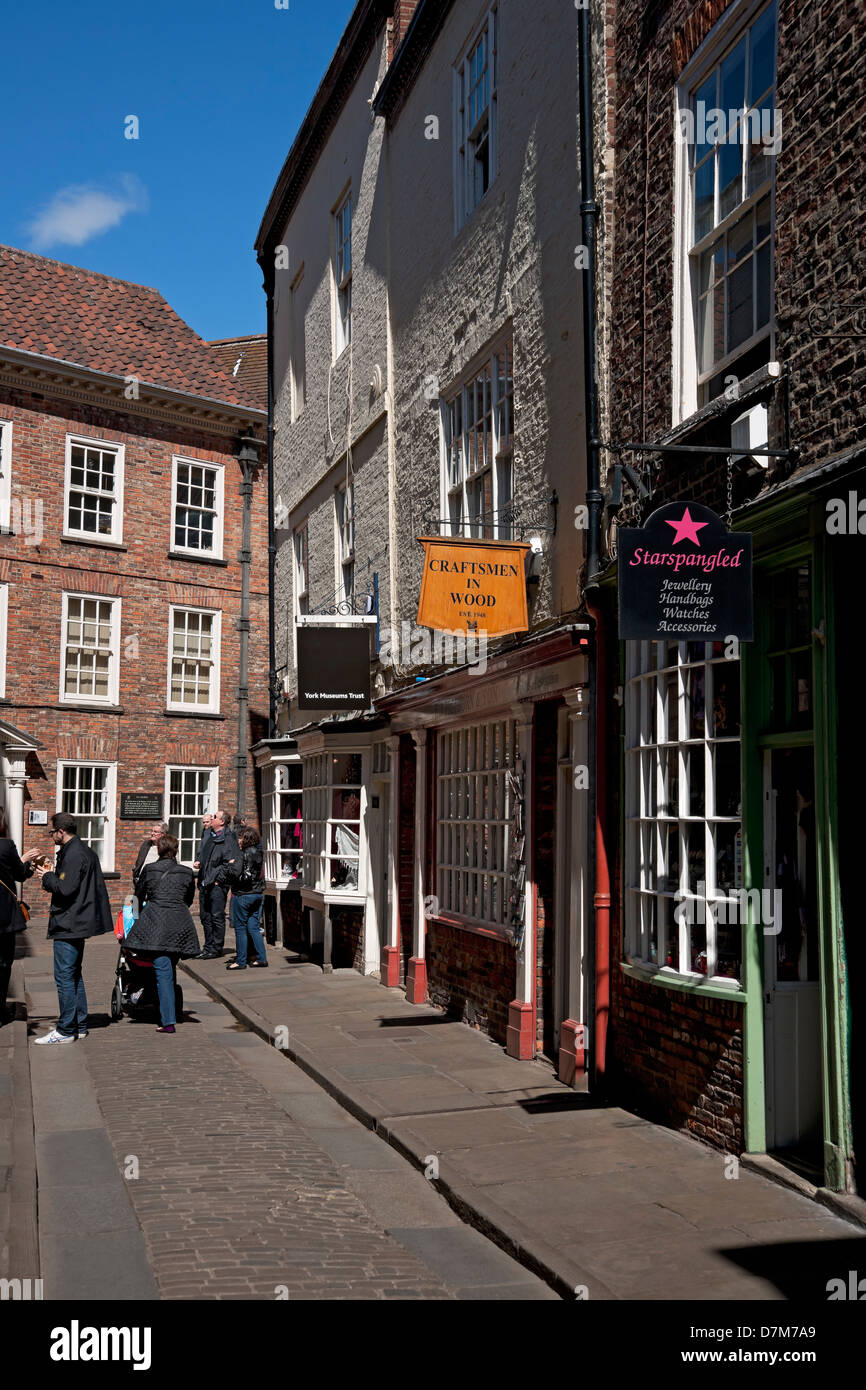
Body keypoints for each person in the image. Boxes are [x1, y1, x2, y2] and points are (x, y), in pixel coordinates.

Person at [31, 812, 113, 1045]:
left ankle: (66, 1029)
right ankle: (79, 1024)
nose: (51, 836)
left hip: (70, 922)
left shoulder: (74, 854)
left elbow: (66, 888)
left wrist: (47, 876)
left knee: (65, 977)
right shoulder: (84, 850)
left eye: (52, 832)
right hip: (78, 921)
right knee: (74, 975)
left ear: (61, 831)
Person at [124, 833, 199, 1034]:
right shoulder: (186, 872)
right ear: (176, 850)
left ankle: (168, 1021)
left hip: (156, 924)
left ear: (158, 850)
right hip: (180, 924)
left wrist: (134, 921)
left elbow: (137, 898)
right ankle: (168, 1010)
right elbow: (189, 899)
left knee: (163, 971)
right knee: (168, 968)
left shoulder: (150, 869)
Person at [0, 808, 41, 1023]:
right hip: (3, 916)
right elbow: (20, 874)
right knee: (4, 962)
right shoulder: (6, 846)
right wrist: (25, 861)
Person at [219, 826, 267, 971]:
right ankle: (261, 958)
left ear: (246, 839)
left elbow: (235, 874)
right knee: (253, 927)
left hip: (243, 895)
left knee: (240, 928)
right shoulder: (259, 853)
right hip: (258, 894)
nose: (238, 840)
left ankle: (240, 961)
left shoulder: (242, 854)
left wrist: (229, 865)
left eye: (240, 838)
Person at [195, 809, 239, 959]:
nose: (211, 819)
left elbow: (229, 863)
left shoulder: (228, 837)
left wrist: (218, 880)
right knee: (204, 916)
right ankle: (207, 947)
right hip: (205, 882)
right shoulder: (209, 835)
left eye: (215, 817)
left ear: (222, 821)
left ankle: (216, 948)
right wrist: (199, 861)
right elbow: (203, 854)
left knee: (216, 916)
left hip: (217, 884)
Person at [132, 822, 169, 891]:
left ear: (163, 834)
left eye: (155, 832)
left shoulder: (168, 847)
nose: (152, 833)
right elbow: (139, 861)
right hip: (140, 882)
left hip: (157, 885)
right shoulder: (146, 844)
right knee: (136, 901)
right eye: (152, 831)